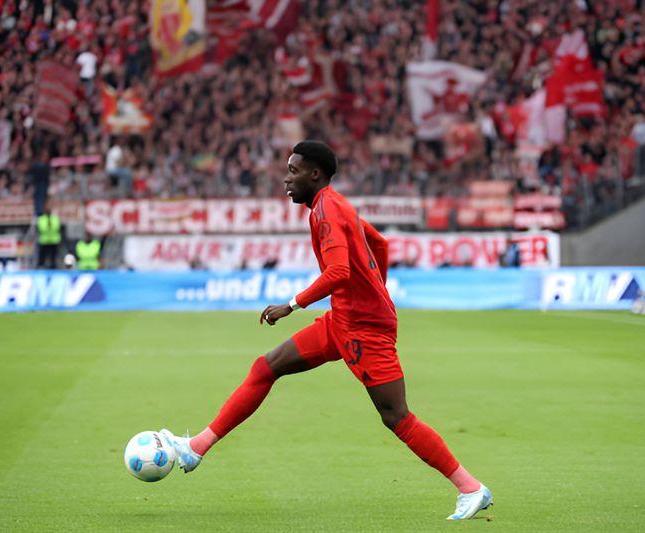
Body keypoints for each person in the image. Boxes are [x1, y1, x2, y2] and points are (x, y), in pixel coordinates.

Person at [161, 141, 492, 521]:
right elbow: (379, 245)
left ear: (315, 174)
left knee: (396, 416)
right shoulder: (333, 204)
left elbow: (339, 272)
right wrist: (373, 293)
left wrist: (292, 305)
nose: (286, 178)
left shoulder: (326, 212)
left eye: (293, 171)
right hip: (345, 319)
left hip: (363, 330)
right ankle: (196, 448)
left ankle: (471, 488)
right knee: (267, 367)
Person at [36, 203, 62, 269]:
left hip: (54, 240)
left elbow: (57, 227)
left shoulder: (55, 218)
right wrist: (49, 226)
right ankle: (41, 266)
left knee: (53, 255)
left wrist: (49, 227)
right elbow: (41, 228)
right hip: (44, 240)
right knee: (42, 255)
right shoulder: (41, 219)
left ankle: (53, 266)